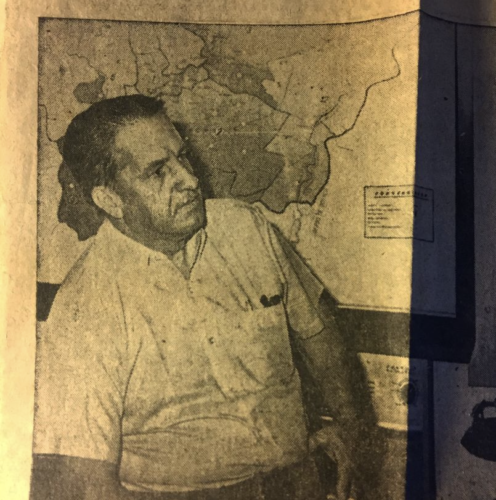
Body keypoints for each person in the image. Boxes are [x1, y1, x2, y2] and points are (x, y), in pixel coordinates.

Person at [31, 95, 365, 500]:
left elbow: (317, 330)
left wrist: (350, 425)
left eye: (182, 158)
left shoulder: (245, 228)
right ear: (110, 200)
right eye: (158, 172)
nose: (189, 181)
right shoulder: (83, 308)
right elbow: (88, 482)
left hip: (297, 483)